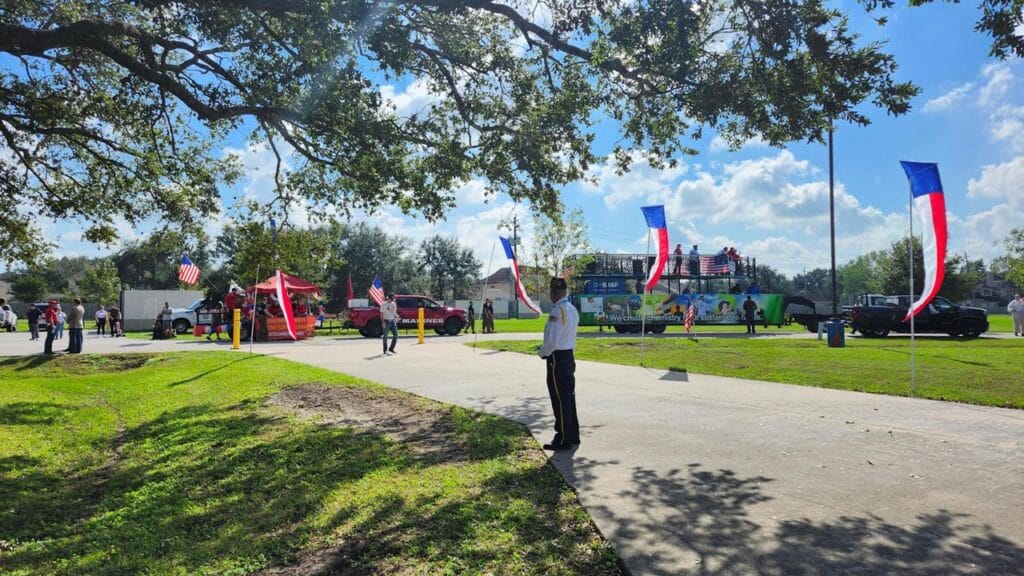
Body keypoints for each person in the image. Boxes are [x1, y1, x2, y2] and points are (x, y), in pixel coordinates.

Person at [537, 277, 580, 451]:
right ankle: (572, 434)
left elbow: (552, 342)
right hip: (568, 356)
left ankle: (562, 438)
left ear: (553, 293)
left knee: (560, 400)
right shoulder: (571, 309)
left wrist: (542, 352)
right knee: (569, 398)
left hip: (557, 359)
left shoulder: (557, 311)